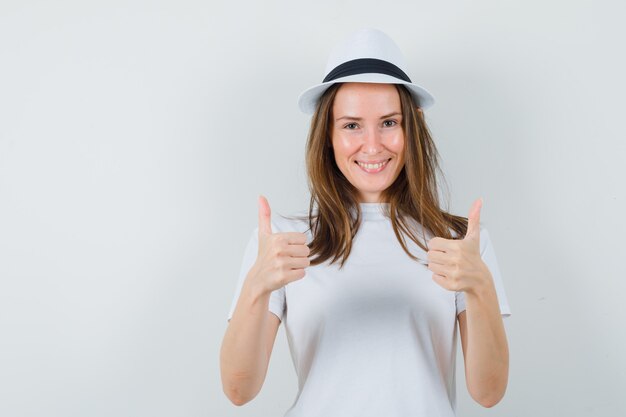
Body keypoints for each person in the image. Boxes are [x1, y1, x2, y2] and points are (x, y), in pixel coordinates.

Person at [220, 28, 511, 416]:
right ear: (328, 134)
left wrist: (481, 287)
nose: (372, 145)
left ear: (413, 126)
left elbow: (489, 393)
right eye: (352, 125)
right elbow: (239, 390)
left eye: (389, 122)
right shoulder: (283, 242)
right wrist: (256, 286)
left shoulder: (461, 243)